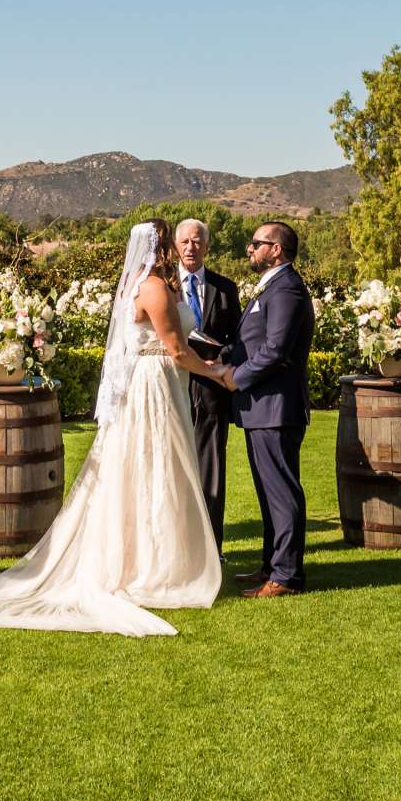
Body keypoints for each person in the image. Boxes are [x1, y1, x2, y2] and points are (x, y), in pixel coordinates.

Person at [0, 219, 227, 633]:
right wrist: (215, 373)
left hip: (162, 383)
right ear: (161, 247)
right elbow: (174, 348)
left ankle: (159, 558)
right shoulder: (153, 288)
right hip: (153, 386)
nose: (177, 251)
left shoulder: (155, 284)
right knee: (152, 468)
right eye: (171, 243)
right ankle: (149, 566)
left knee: (155, 469)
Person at [230, 219, 316, 597]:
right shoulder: (272, 287)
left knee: (281, 492)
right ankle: (270, 565)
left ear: (276, 249)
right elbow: (254, 342)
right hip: (261, 408)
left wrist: (237, 376)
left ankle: (286, 575)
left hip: (276, 407)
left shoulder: (286, 290)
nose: (250, 249)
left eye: (256, 243)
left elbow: (276, 351)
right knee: (268, 492)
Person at [172, 218, 245, 551]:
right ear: (175, 246)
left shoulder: (225, 288)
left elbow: (239, 340)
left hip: (213, 392)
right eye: (185, 241)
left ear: (207, 246)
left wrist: (220, 356)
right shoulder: (163, 286)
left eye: (198, 241)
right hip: (172, 387)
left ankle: (212, 549)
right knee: (172, 467)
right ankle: (177, 547)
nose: (191, 247)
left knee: (211, 468)